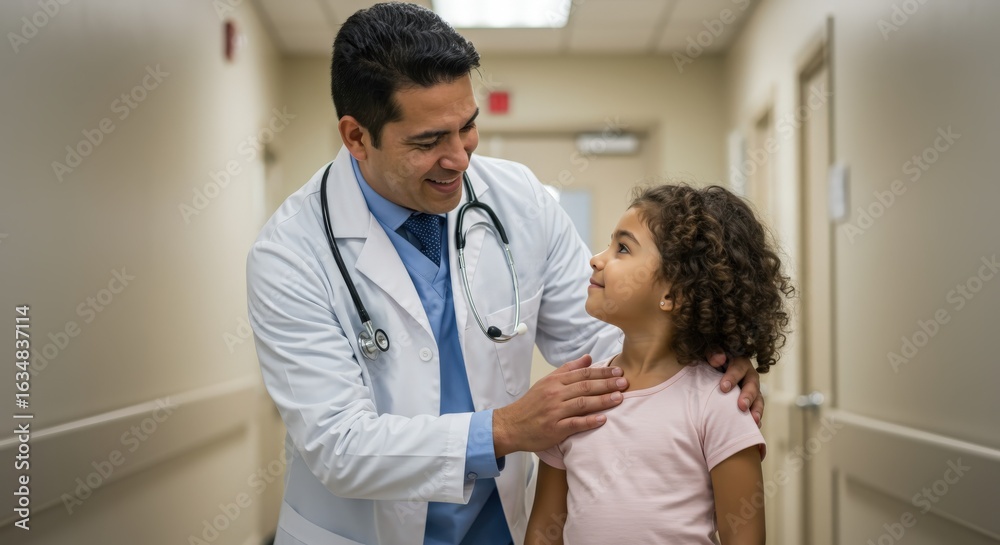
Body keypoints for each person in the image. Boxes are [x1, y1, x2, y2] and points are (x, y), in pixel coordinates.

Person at [246, 4, 764, 544]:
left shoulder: (518, 200)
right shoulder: (289, 254)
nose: (460, 159)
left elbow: (607, 343)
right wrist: (506, 428)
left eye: (467, 127)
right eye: (428, 142)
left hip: (500, 525)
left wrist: (705, 362)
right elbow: (338, 445)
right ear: (357, 137)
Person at [526, 184, 794, 545]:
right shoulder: (577, 396)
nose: (596, 259)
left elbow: (743, 538)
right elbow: (544, 532)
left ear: (673, 294)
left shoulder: (717, 404)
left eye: (622, 248)